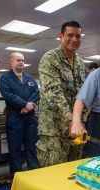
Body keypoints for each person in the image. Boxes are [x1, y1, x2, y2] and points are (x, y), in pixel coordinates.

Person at [36, 21, 86, 167]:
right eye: (70, 35)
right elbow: (53, 93)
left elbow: (82, 95)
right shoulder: (50, 58)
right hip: (53, 130)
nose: (74, 40)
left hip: (75, 129)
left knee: (73, 171)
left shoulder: (80, 63)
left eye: (78, 36)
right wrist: (71, 121)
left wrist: (80, 120)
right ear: (61, 36)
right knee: (53, 174)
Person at [0, 52, 40, 176]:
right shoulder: (5, 78)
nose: (21, 62)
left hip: (30, 119)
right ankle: (16, 179)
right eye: (18, 60)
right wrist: (24, 104)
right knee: (15, 150)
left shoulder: (29, 78)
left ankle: (34, 176)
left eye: (22, 60)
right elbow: (8, 95)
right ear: (11, 61)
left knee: (32, 148)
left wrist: (29, 106)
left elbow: (36, 94)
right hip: (15, 119)